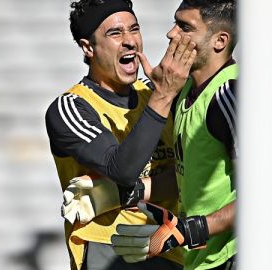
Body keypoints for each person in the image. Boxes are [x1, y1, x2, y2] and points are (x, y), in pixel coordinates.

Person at [44, 0, 197, 269]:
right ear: (88, 47)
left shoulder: (159, 93)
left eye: (134, 29)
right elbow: (122, 168)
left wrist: (124, 193)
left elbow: (192, 175)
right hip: (110, 252)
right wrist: (163, 97)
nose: (130, 42)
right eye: (115, 33)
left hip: (170, 246)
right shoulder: (71, 108)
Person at [110, 0, 238, 269]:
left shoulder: (230, 96)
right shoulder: (185, 89)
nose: (171, 34)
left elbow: (261, 197)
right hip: (198, 261)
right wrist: (127, 192)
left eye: (185, 27)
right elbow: (189, 174)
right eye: (174, 23)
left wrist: (189, 230)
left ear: (219, 41)